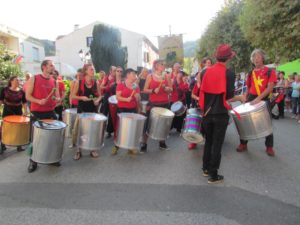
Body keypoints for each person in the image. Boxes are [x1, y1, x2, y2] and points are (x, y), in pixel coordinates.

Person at [199, 44, 245, 184]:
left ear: (216, 56)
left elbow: (202, 92)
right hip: (220, 114)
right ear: (228, 58)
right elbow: (229, 97)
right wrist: (239, 98)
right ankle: (213, 175)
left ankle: (206, 168)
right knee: (217, 144)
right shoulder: (229, 73)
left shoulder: (204, 72)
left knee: (209, 141)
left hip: (207, 113)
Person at [236, 49, 277, 156]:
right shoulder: (250, 73)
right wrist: (245, 96)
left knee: (267, 123)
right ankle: (243, 143)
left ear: (263, 58)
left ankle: (269, 147)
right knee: (244, 122)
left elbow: (270, 87)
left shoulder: (270, 71)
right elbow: (248, 88)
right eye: (254, 58)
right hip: (251, 98)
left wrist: (259, 98)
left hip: (263, 98)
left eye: (258, 57)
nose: (256, 59)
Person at [25, 60, 61, 173]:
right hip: (37, 112)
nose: (53, 68)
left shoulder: (54, 81)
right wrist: (38, 101)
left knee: (52, 137)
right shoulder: (34, 78)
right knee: (36, 139)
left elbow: (57, 97)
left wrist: (57, 99)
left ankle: (51, 159)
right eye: (51, 65)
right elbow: (28, 96)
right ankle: (33, 161)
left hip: (50, 112)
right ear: (44, 67)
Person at [140, 59, 173, 153]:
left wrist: (167, 89)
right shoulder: (150, 76)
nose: (163, 65)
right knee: (148, 124)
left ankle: (162, 143)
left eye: (164, 64)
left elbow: (171, 89)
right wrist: (153, 90)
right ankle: (144, 144)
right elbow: (145, 89)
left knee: (163, 125)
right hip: (153, 104)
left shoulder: (167, 76)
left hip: (164, 103)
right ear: (156, 66)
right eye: (161, 64)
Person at [71, 63, 102, 160]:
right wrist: (81, 97)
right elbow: (73, 96)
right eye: (91, 69)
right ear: (86, 71)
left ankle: (92, 149)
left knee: (92, 130)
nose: (93, 71)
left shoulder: (96, 82)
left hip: (92, 110)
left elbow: (100, 95)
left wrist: (97, 100)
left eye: (93, 69)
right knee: (81, 130)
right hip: (82, 110)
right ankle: (78, 151)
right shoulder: (79, 83)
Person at [111, 68, 141, 155]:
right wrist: (126, 99)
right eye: (133, 73)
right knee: (121, 129)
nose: (135, 75)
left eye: (135, 74)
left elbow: (138, 98)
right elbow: (118, 97)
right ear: (128, 75)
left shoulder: (136, 86)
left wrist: (137, 96)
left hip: (132, 109)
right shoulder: (121, 85)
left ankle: (130, 147)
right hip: (122, 109)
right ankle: (117, 146)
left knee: (131, 129)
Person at [188, 57, 213, 150]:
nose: (209, 65)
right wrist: (199, 98)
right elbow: (192, 95)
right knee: (197, 125)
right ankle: (194, 142)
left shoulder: (214, 81)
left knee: (210, 126)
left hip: (211, 107)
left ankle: (210, 141)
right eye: (207, 63)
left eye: (210, 63)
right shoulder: (197, 83)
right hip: (200, 107)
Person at [0, 76, 27, 153]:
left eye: (19, 80)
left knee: (18, 129)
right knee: (5, 128)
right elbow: (1, 100)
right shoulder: (5, 90)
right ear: (11, 81)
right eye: (17, 80)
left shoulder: (22, 92)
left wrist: (25, 111)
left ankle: (19, 146)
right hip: (7, 111)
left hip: (18, 112)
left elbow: (24, 103)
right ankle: (3, 145)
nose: (18, 82)